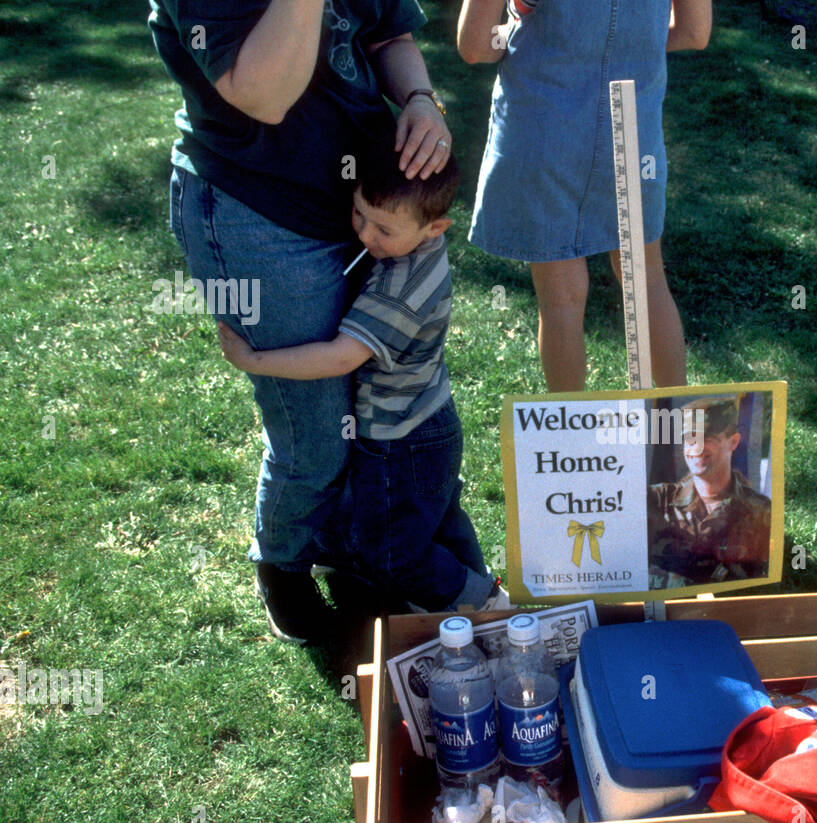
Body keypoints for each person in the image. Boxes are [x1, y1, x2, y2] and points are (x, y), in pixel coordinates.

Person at [150, 0, 455, 642]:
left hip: (360, 202)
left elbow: (387, 30)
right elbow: (264, 96)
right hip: (260, 211)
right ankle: (282, 563)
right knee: (314, 431)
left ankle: (344, 547)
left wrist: (422, 99)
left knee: (361, 411)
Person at [217, 141, 510, 616]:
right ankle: (479, 601)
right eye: (360, 214)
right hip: (428, 422)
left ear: (436, 227)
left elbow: (339, 358)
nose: (366, 235)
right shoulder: (418, 243)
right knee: (438, 521)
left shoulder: (403, 286)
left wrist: (255, 360)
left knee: (392, 554)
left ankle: (483, 605)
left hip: (400, 439)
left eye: (384, 229)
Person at [455, 0, 712, 392]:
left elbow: (475, 46)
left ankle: (571, 444)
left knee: (561, 301)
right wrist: (623, 48)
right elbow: (695, 33)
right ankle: (672, 437)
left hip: (544, 124)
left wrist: (518, 26)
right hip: (632, 123)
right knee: (646, 283)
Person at [647, 396, 771, 588]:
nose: (696, 448)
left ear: (734, 442)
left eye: (707, 438)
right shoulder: (657, 500)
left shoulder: (759, 510)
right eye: (690, 438)